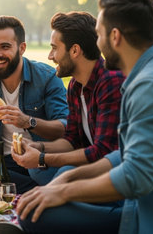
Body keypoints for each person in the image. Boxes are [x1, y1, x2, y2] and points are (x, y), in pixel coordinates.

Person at [0, 0, 153, 234]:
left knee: (36, 215)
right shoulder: (150, 74)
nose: (96, 44)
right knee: (52, 189)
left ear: (115, 36)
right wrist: (65, 179)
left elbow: (135, 176)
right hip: (137, 202)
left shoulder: (149, 86)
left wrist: (63, 189)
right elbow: (124, 154)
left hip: (149, 216)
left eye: (98, 35)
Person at [0, 15, 68, 194]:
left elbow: (64, 127)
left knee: (56, 172)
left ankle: (17, 187)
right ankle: (36, 189)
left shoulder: (47, 77)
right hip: (1, 163)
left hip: (39, 159)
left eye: (5, 47)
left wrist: (28, 121)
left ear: (22, 48)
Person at [12, 12, 124, 185]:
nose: (50, 56)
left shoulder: (110, 81)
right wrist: (39, 147)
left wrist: (43, 158)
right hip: (91, 165)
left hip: (116, 175)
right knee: (39, 170)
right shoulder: (75, 85)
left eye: (55, 48)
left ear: (74, 50)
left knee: (62, 172)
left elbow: (103, 152)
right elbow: (72, 140)